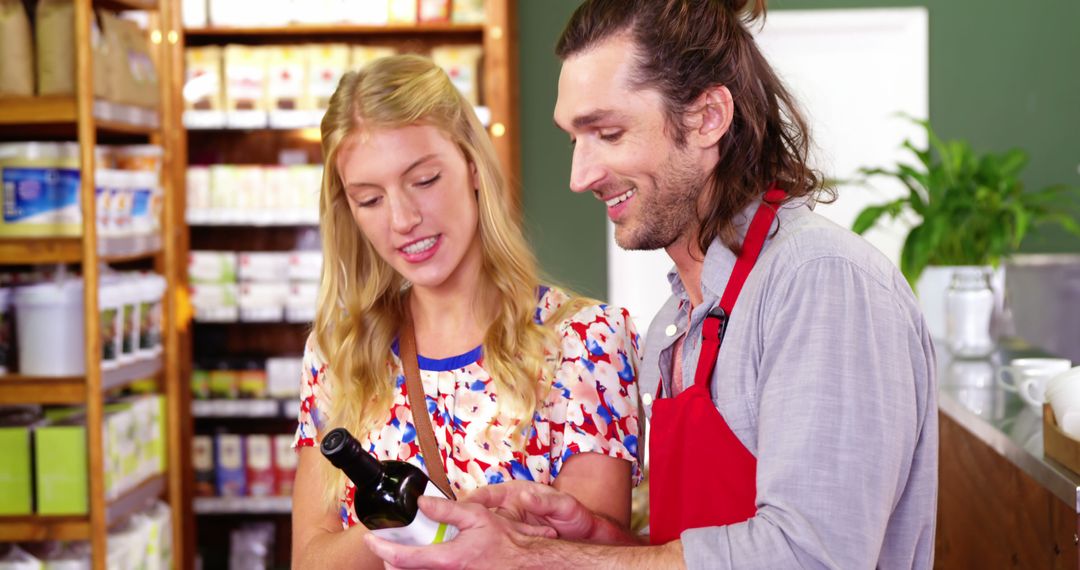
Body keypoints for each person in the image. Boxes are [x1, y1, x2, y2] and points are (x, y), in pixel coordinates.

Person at [364, 1, 938, 568]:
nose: (579, 176)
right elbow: (702, 553)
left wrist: (534, 558)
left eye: (607, 133)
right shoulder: (679, 322)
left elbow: (810, 556)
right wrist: (587, 537)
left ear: (707, 117)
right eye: (574, 140)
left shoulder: (820, 283)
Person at [290, 54, 643, 568]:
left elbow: (592, 557)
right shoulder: (337, 354)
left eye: (425, 180)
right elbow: (309, 560)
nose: (403, 219)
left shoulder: (586, 341)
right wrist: (407, 521)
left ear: (472, 165)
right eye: (369, 200)